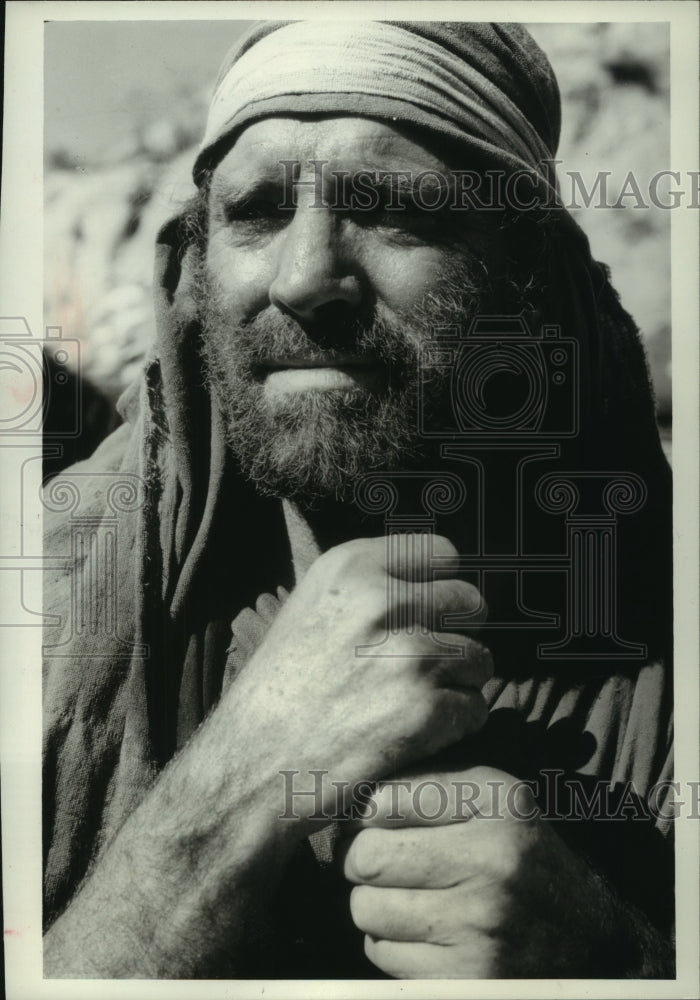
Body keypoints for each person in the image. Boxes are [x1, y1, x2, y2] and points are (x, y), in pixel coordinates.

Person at [42, 21, 674, 979]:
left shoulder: (664, 615)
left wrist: (619, 956)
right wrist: (233, 790)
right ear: (198, 263)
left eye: (392, 210)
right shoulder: (53, 592)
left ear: (530, 278)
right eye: (254, 211)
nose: (305, 280)